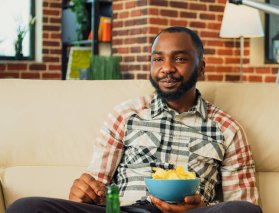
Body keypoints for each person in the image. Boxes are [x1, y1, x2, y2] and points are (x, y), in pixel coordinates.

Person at [6, 26, 262, 213]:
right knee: (25, 207)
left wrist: (202, 206)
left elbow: (244, 202)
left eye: (180, 58)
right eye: (158, 59)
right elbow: (97, 183)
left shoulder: (227, 129)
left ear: (201, 67)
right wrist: (85, 192)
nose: (167, 67)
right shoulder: (125, 114)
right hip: (126, 210)